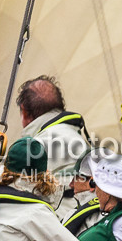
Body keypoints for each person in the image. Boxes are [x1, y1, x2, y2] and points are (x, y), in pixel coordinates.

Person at [15, 75, 92, 219]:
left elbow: (5, 180)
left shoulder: (35, 146)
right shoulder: (80, 140)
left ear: (24, 112)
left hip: (60, 221)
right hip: (89, 218)